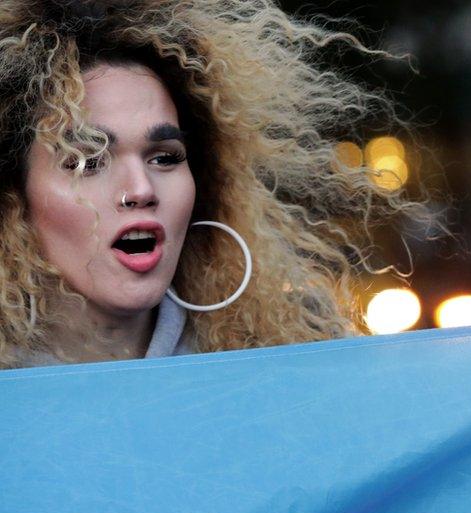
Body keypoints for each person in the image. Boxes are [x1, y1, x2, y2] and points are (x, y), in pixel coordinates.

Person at [0, 0, 435, 368]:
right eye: (87, 161)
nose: (141, 189)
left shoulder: (289, 365)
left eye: (165, 158)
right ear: (13, 195)